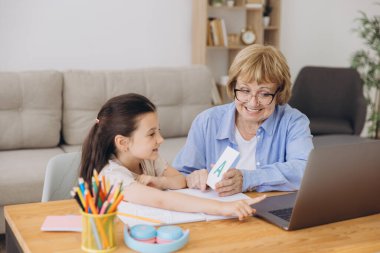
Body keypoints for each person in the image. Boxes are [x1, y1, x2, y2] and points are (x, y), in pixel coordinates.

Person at [80, 93, 265, 220]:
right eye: (151, 134)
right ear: (123, 142)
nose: (160, 139)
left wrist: (160, 182)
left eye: (158, 131)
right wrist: (222, 207)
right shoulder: (110, 176)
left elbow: (180, 180)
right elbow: (161, 200)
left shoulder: (147, 158)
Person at [173, 44, 314, 196]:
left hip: (269, 210)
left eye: (264, 93)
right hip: (219, 212)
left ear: (279, 93)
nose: (253, 102)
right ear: (233, 86)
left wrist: (247, 179)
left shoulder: (293, 122)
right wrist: (192, 177)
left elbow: (305, 170)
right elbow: (179, 174)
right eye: (245, 90)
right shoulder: (207, 121)